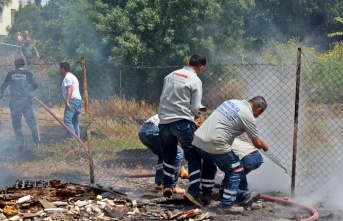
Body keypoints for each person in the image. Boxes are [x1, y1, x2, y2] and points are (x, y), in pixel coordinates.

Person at [183, 96, 269, 213]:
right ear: (258, 109)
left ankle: (206, 196)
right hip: (215, 142)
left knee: (209, 161)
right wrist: (265, 145)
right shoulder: (248, 115)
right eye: (259, 114)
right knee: (236, 170)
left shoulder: (231, 102)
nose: (257, 117)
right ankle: (226, 205)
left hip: (198, 140)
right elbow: (257, 143)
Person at [158, 53, 206, 198]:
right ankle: (193, 190)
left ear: (188, 62)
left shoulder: (170, 75)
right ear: (201, 67)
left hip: (164, 121)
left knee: (169, 155)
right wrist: (197, 113)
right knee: (192, 156)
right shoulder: (195, 80)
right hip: (182, 122)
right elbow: (195, 106)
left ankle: (167, 185)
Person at [138, 114, 185, 194]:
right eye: (199, 110)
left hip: (143, 132)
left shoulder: (173, 110)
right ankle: (173, 186)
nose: (200, 113)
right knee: (178, 153)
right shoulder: (184, 116)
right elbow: (179, 142)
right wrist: (182, 167)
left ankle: (159, 184)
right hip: (155, 130)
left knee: (163, 154)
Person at [0, 58, 40, 150]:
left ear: (15, 65)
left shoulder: (10, 74)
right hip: (25, 101)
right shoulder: (28, 74)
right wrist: (27, 90)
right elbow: (35, 85)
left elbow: (3, 87)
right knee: (32, 123)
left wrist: (3, 94)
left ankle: (20, 145)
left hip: (14, 102)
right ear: (24, 65)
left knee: (17, 125)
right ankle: (37, 143)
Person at [59, 62, 82, 138]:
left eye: (60, 69)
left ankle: (71, 139)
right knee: (74, 121)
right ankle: (77, 140)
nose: (59, 71)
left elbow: (70, 89)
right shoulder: (73, 76)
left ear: (63, 69)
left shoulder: (67, 77)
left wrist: (67, 101)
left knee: (67, 120)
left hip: (72, 100)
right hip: (78, 100)